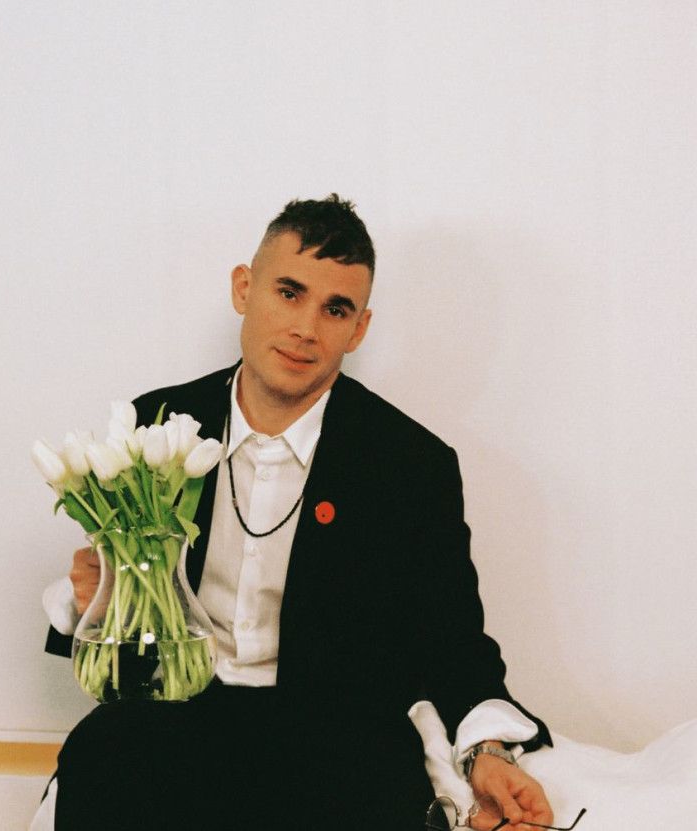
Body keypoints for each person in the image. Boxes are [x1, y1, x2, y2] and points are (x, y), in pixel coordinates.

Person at [43, 195, 554, 830]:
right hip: (176, 720)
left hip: (339, 743)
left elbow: (453, 641)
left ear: (358, 328)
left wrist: (487, 753)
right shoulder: (157, 422)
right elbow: (114, 613)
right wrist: (96, 595)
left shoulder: (410, 463)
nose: (306, 329)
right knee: (100, 752)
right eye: (289, 293)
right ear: (244, 288)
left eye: (335, 309)